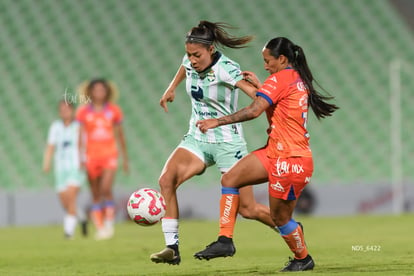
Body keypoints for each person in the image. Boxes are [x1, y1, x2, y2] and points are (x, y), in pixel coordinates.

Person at [196, 37, 339, 272]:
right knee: (230, 179)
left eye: (267, 61)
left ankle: (303, 258)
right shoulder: (293, 78)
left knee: (281, 219)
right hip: (275, 152)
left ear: (281, 59)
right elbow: (277, 103)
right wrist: (261, 86)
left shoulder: (281, 78)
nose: (265, 65)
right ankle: (225, 241)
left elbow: (254, 111)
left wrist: (217, 121)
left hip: (290, 159)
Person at [150, 21, 276, 265]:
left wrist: (261, 89)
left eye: (197, 55)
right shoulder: (190, 61)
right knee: (166, 180)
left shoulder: (227, 68)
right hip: (198, 138)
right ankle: (172, 248)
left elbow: (256, 98)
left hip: (228, 143)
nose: (192, 60)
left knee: (248, 210)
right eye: (189, 54)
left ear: (211, 49)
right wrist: (170, 89)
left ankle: (291, 230)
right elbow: (184, 68)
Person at [76, 79, 129, 240]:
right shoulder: (83, 112)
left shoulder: (114, 111)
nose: (99, 93)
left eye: (102, 90)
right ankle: (100, 228)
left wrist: (125, 158)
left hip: (109, 155)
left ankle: (109, 223)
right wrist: (80, 157)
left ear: (107, 92)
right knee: (95, 193)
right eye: (96, 90)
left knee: (106, 188)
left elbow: (120, 135)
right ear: (90, 92)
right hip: (91, 156)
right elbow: (80, 136)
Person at [43, 100, 85, 239]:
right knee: (65, 202)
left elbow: (84, 145)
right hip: (60, 169)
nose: (64, 112)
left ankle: (68, 233)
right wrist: (47, 162)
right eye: (62, 109)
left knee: (71, 198)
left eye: (67, 109)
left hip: (75, 167)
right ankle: (82, 217)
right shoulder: (55, 127)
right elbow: (51, 146)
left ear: (72, 110)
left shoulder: (79, 126)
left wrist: (84, 161)